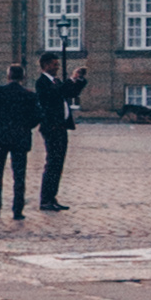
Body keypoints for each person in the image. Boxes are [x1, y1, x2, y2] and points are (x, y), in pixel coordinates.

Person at [34, 50, 87, 210]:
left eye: (57, 65)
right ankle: (45, 200)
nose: (57, 67)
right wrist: (71, 79)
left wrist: (78, 79)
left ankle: (52, 197)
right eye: (54, 64)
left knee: (58, 164)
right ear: (46, 65)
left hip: (61, 127)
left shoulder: (56, 81)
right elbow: (55, 94)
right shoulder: (42, 82)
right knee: (52, 163)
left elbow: (71, 92)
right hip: (52, 127)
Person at [0, 63, 36, 218]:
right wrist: (25, 127)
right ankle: (18, 210)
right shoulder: (29, 94)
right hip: (20, 138)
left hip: (0, 137)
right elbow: (37, 117)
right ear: (23, 77)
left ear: (8, 76)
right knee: (19, 175)